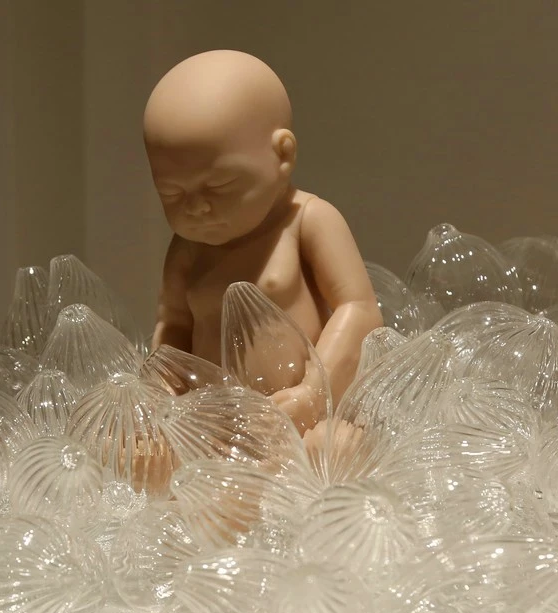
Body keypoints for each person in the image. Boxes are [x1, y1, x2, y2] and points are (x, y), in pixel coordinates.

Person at [144, 50, 381, 435]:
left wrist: (314, 393)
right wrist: (159, 395)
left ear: (282, 155)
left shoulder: (306, 220)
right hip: (216, 425)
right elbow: (172, 327)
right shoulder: (187, 247)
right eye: (171, 193)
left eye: (220, 185)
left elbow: (358, 309)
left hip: (300, 421)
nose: (197, 207)